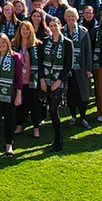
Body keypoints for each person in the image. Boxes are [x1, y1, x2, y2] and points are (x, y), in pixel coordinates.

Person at [39, 16, 74, 152]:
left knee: (53, 109)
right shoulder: (46, 42)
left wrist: (58, 81)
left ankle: (58, 139)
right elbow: (40, 62)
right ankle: (56, 139)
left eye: (55, 25)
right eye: (51, 26)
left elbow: (68, 65)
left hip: (59, 82)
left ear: (60, 26)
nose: (53, 28)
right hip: (46, 80)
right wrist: (42, 79)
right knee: (50, 110)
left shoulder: (66, 43)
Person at [63, 7, 93, 128]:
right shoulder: (62, 32)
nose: (71, 19)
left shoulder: (83, 32)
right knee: (70, 94)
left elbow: (88, 52)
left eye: (73, 17)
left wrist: (88, 69)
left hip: (81, 68)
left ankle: (83, 117)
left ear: (77, 18)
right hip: (67, 70)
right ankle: (73, 116)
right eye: (69, 17)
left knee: (83, 94)